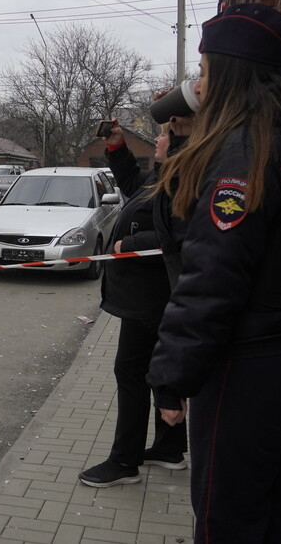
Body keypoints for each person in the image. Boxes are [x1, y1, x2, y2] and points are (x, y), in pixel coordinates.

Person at [146, 3, 281, 543]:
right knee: (272, 508)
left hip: (252, 368)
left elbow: (213, 276)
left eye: (206, 72)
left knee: (227, 521)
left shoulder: (246, 149)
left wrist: (170, 378)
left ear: (232, 71)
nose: (199, 86)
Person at [77, 119, 189, 488]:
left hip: (152, 299)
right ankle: (170, 448)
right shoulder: (163, 176)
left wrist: (131, 246)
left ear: (178, 143)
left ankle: (125, 462)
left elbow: (183, 236)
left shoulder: (182, 181)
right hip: (148, 298)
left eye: (162, 134)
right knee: (155, 372)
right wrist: (116, 147)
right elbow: (131, 185)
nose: (156, 139)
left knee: (131, 373)